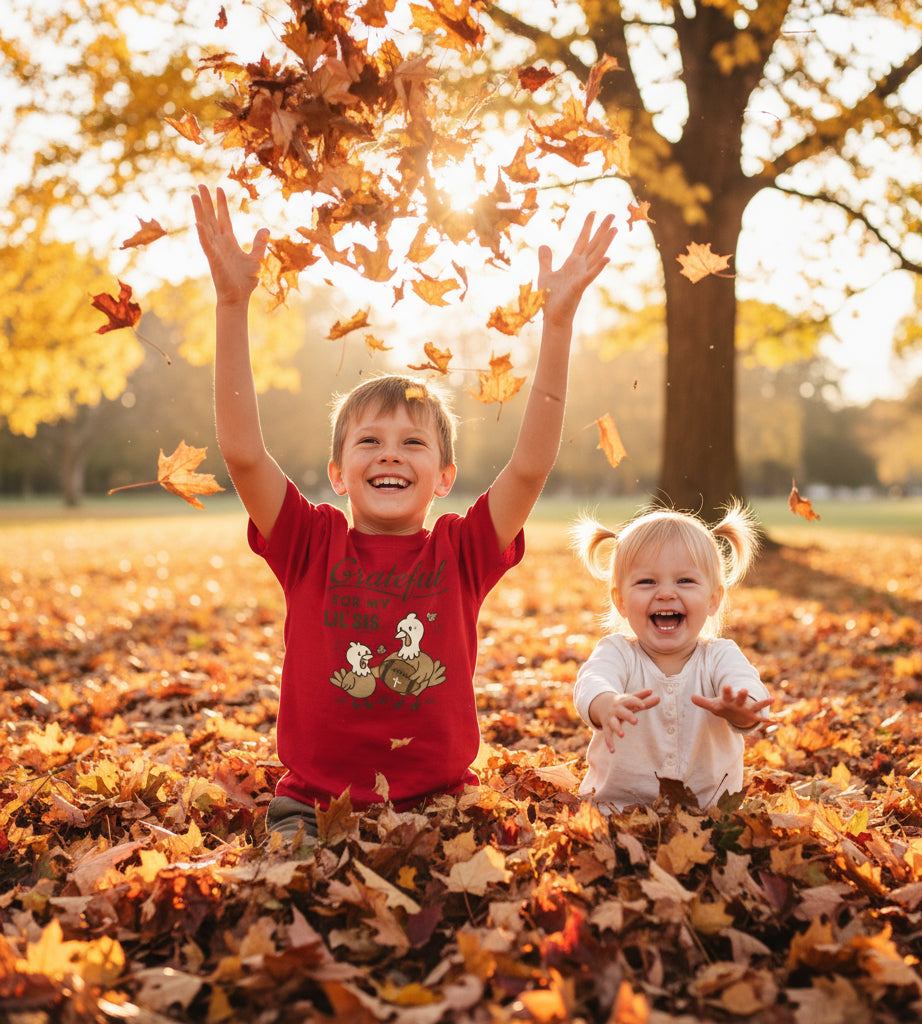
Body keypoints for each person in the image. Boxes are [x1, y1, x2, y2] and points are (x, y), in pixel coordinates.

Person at [191, 184, 616, 842]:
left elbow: (529, 467)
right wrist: (230, 305)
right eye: (369, 441)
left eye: (413, 442)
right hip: (312, 807)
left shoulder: (461, 550)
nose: (391, 454)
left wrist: (556, 327)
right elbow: (244, 454)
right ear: (338, 473)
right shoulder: (308, 540)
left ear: (444, 477)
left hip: (440, 804)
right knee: (294, 912)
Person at [571, 503, 771, 812]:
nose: (666, 593)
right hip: (618, 812)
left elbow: (747, 688)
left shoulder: (720, 657)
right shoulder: (618, 652)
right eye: (647, 582)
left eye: (685, 581)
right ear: (620, 601)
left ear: (713, 600)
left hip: (710, 814)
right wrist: (605, 703)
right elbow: (592, 681)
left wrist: (741, 709)